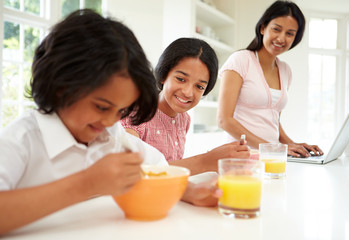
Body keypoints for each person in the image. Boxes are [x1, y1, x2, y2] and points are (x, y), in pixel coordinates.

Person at [0, 10, 220, 235]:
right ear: (60, 87)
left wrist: (190, 191)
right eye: (102, 107)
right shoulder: (22, 139)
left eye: (121, 110)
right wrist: (86, 184)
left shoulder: (110, 134)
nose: (110, 120)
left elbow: (158, 168)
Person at [121, 38, 250, 175]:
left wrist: (214, 159)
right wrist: (205, 161)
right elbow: (131, 172)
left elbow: (172, 169)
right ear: (163, 76)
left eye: (199, 86)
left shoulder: (184, 119)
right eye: (181, 79)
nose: (188, 92)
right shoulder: (136, 111)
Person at [217, 0, 323, 158]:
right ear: (262, 28)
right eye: (276, 29)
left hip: (272, 157)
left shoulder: (285, 70)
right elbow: (224, 120)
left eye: (290, 33)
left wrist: (292, 145)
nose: (281, 38)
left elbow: (273, 120)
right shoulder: (240, 60)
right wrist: (271, 148)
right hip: (240, 156)